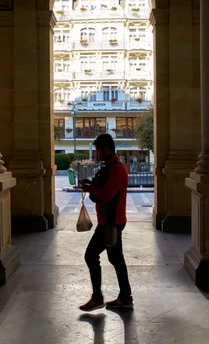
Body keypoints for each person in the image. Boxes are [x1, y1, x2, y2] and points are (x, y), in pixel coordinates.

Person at [75, 133, 133, 312]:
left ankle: (98, 298)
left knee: (91, 255)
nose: (97, 152)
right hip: (110, 220)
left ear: (107, 149)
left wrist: (89, 188)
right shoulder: (110, 166)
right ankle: (125, 297)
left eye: (99, 149)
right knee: (116, 259)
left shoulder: (116, 169)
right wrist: (91, 185)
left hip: (111, 222)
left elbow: (107, 194)